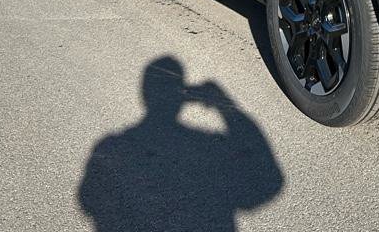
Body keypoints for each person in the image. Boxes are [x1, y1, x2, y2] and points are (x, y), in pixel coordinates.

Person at [78, 56, 283, 231]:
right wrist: (224, 104)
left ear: (145, 95)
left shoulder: (111, 147)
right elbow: (269, 183)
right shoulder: (209, 148)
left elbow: (88, 200)